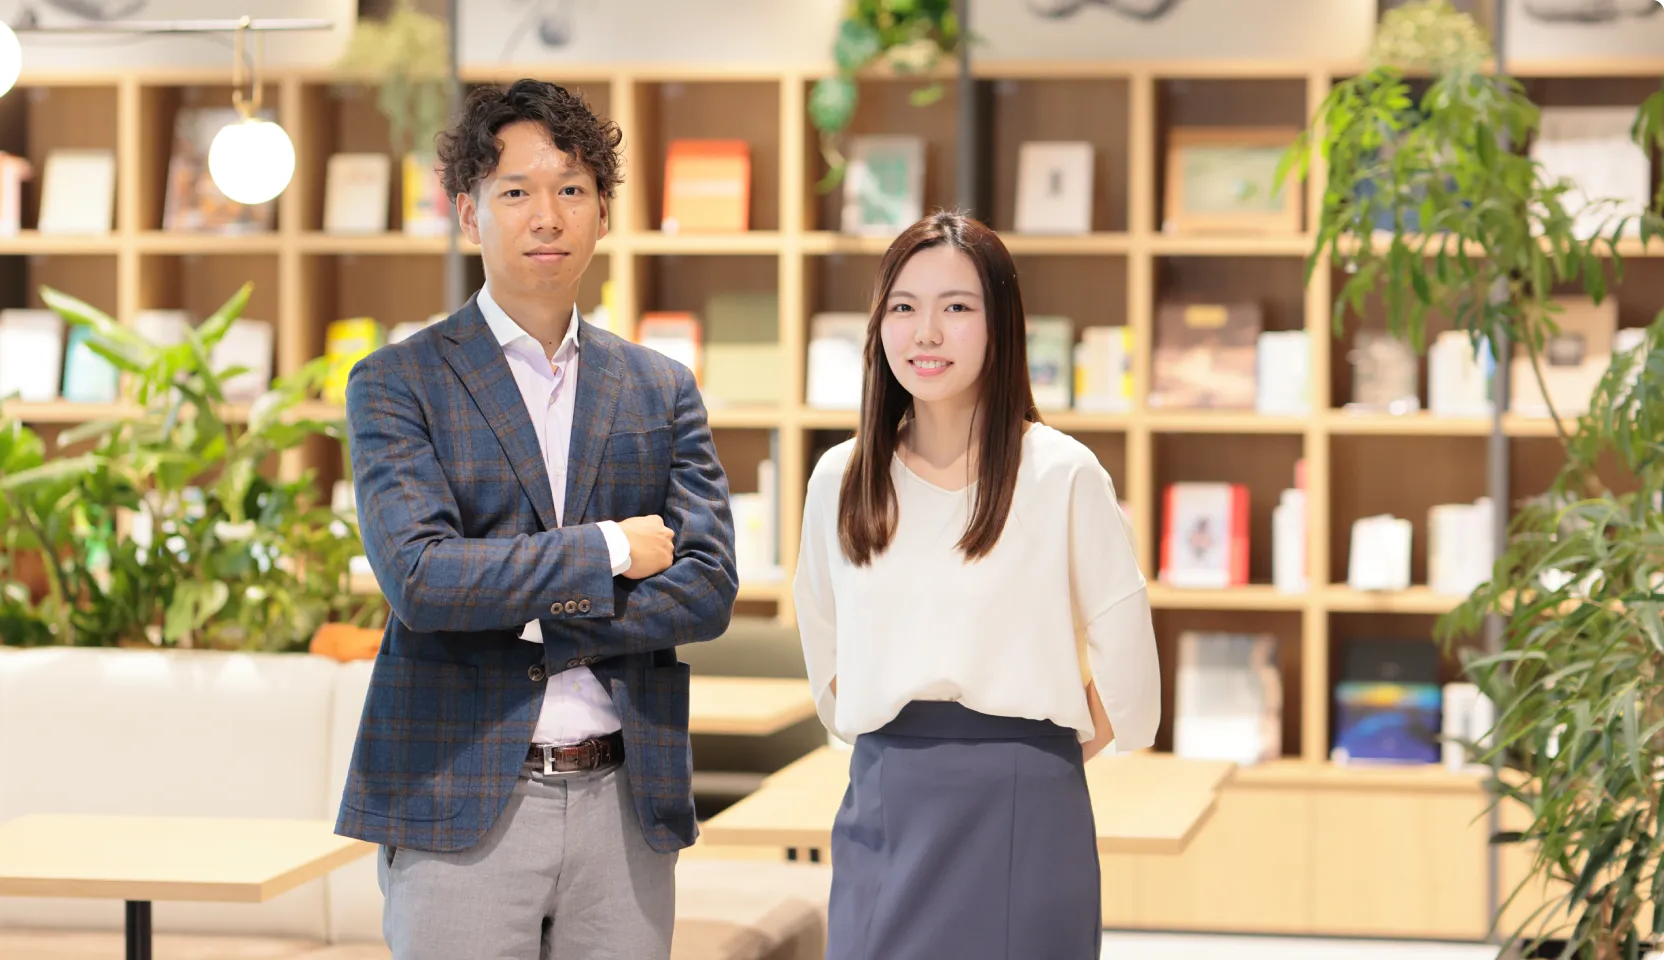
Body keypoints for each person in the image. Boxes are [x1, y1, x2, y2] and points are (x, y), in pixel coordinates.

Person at [337, 78, 739, 960]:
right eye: (516, 191)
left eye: (572, 189)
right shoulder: (397, 382)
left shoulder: (660, 387)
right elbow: (423, 581)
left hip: (625, 803)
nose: (547, 216)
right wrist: (609, 548)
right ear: (468, 214)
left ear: (603, 213)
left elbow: (708, 589)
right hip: (459, 796)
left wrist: (523, 607)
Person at [793, 210, 1162, 959]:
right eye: (904, 307)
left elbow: (1131, 678)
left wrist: (1032, 758)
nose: (926, 333)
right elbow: (827, 661)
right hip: (884, 805)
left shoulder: (1061, 473)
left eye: (956, 307)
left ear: (1002, 325)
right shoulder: (841, 476)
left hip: (1027, 811)